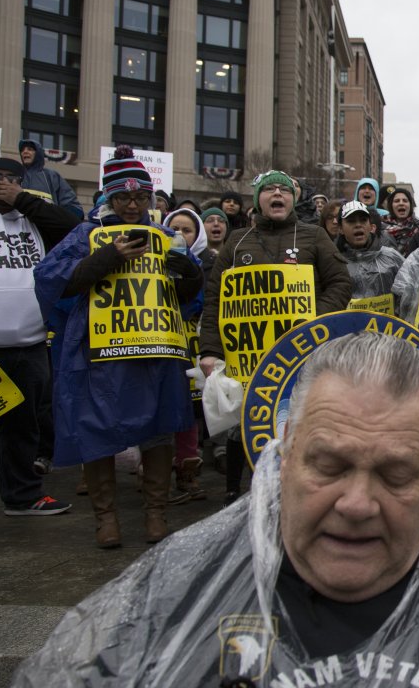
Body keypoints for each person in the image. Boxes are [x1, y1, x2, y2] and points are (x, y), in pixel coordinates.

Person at [12, 333, 419, 686]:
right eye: (328, 466)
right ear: (284, 452)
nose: (356, 504)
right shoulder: (177, 588)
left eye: (395, 475)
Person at [34, 149, 205, 547]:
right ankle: (105, 518)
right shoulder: (84, 235)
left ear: (150, 199)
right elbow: (52, 281)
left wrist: (190, 275)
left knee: (160, 428)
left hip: (155, 349)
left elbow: (186, 299)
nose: (132, 205)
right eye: (123, 198)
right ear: (108, 198)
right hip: (98, 353)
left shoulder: (166, 238)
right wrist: (109, 256)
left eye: (141, 198)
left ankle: (155, 514)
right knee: (96, 428)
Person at [199, 170, 352, 505]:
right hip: (248, 355)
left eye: (284, 189)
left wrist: (311, 321)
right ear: (259, 200)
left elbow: (341, 283)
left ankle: (300, 493)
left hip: (300, 353)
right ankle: (238, 496)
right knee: (245, 426)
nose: (278, 193)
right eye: (270, 189)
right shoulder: (237, 241)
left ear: (293, 199)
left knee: (297, 420)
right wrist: (209, 350)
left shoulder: (313, 236)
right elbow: (215, 299)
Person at [0, 156, 80, 535]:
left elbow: (75, 230)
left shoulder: (32, 219)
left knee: (24, 426)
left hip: (29, 340)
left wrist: (25, 201)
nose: (1, 184)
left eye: (11, 179)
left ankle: (23, 496)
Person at [163, 208, 213, 504]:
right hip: (161, 343)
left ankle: (187, 471)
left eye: (187, 230)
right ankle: (154, 471)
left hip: (193, 344)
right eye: (174, 230)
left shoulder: (206, 264)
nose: (180, 235)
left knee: (191, 411)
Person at [338, 200, 406, 310]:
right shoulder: (334, 262)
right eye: (351, 221)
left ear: (372, 227)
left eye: (363, 220)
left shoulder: (392, 257)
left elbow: (409, 295)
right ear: (340, 229)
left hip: (388, 327)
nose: (358, 225)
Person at [16, 139, 83, 218]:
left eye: (30, 149)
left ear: (38, 153)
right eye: (22, 150)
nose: (25, 152)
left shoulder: (52, 176)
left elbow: (72, 205)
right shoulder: (16, 175)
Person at [382, 186, 419, 256]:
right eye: (397, 201)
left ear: (410, 205)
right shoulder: (380, 227)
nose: (401, 203)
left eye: (405, 201)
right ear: (391, 206)